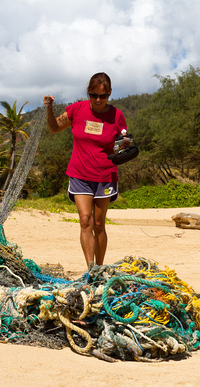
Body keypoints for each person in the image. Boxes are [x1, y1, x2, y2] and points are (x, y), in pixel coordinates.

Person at [44, 72, 129, 269]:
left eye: (103, 96)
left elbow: (120, 145)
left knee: (99, 224)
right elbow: (54, 127)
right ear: (88, 93)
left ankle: (100, 268)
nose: (98, 100)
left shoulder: (117, 115)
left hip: (105, 175)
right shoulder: (76, 110)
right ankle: (91, 269)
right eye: (93, 95)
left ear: (109, 94)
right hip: (80, 173)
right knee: (85, 220)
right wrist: (49, 108)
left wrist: (124, 146)